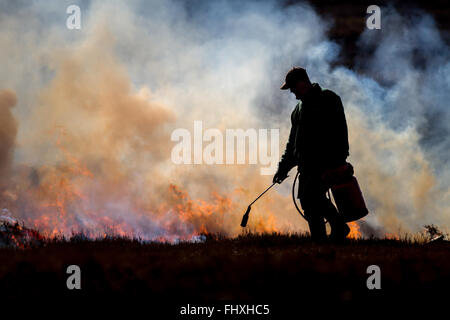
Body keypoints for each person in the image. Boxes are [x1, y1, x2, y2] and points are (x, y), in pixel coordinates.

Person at [273, 67, 350, 241]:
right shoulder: (298, 110)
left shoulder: (329, 99)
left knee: (312, 197)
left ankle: (337, 227)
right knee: (308, 202)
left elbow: (340, 131)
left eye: (293, 87)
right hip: (306, 165)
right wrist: (283, 168)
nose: (292, 91)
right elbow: (292, 143)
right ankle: (321, 240)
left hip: (326, 162)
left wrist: (339, 160)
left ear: (303, 83)